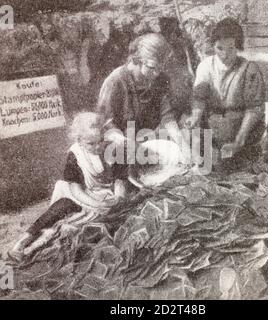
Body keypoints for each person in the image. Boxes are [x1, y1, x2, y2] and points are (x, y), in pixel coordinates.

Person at [8, 112, 126, 262]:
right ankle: (22, 241)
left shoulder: (113, 148)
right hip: (82, 194)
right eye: (91, 143)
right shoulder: (75, 154)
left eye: (100, 141)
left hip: (106, 194)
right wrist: (95, 203)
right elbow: (75, 189)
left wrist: (117, 198)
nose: (97, 147)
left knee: (85, 226)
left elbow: (119, 180)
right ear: (79, 141)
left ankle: (34, 248)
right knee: (62, 205)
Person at [96, 32, 192, 177]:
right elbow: (106, 125)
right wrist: (130, 145)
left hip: (145, 141)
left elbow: (167, 117)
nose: (157, 73)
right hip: (118, 142)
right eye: (152, 67)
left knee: (178, 153)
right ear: (137, 59)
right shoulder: (116, 80)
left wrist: (183, 146)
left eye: (161, 68)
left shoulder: (160, 80)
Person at [186, 18, 266, 170]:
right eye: (219, 48)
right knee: (201, 164)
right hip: (212, 126)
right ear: (213, 46)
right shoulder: (205, 66)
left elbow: (254, 109)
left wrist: (239, 140)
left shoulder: (249, 69)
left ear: (238, 46)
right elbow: (199, 97)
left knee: (234, 170)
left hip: (241, 129)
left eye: (231, 48)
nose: (225, 54)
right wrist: (196, 116)